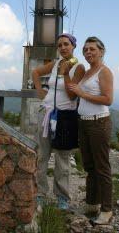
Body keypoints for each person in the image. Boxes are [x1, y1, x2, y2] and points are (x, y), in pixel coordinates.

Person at [32, 33, 85, 210]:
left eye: (66, 44)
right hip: (46, 113)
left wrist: (65, 74)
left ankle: (62, 196)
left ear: (73, 46)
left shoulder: (78, 67)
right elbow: (36, 72)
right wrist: (40, 90)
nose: (62, 48)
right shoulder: (55, 64)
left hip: (65, 117)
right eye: (60, 45)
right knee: (42, 155)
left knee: (62, 159)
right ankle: (40, 192)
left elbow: (72, 94)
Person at [68, 36, 113, 225]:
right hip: (84, 123)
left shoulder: (104, 72)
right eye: (85, 50)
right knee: (89, 166)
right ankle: (92, 203)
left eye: (92, 49)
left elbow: (108, 99)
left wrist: (83, 94)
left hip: (98, 123)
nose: (88, 52)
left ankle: (107, 209)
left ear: (101, 51)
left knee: (102, 167)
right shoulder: (86, 72)